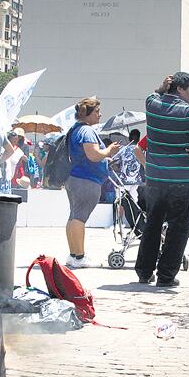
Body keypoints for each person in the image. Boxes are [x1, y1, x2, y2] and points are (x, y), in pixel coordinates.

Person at [135, 73, 189, 287]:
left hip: (154, 177)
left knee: (152, 223)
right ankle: (166, 275)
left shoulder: (152, 103)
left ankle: (144, 272)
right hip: (181, 178)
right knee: (179, 227)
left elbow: (156, 92)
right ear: (180, 89)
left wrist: (162, 86)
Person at [65, 98, 119, 269]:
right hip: (86, 180)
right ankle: (80, 258)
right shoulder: (87, 131)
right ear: (86, 113)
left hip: (75, 178)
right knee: (79, 218)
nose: (100, 114)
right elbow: (94, 155)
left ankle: (74, 255)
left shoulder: (76, 130)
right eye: (97, 111)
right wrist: (109, 150)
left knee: (74, 216)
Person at [2, 128, 27, 193]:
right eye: (12, 141)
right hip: (1, 176)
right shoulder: (1, 149)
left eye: (16, 141)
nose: (14, 143)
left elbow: (19, 165)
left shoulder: (19, 152)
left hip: (10, 176)